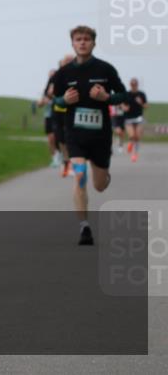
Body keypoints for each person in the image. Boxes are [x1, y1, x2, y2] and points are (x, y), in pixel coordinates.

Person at [49, 25, 127, 246]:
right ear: (72, 44)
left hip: (100, 136)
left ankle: (104, 175)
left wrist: (106, 98)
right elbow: (55, 100)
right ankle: (84, 227)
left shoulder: (105, 69)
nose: (82, 43)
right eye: (78, 39)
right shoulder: (63, 74)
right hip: (75, 135)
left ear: (94, 43)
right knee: (79, 175)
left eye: (86, 39)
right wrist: (65, 101)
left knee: (99, 185)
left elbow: (123, 95)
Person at [39, 70, 61, 168]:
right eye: (50, 76)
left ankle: (60, 156)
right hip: (48, 116)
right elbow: (39, 103)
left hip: (57, 115)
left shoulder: (60, 89)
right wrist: (44, 101)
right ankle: (54, 158)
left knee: (57, 137)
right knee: (50, 138)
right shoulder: (46, 90)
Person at [123, 78, 147, 162]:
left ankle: (134, 154)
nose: (134, 86)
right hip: (129, 118)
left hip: (139, 118)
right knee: (132, 136)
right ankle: (130, 143)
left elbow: (146, 106)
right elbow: (122, 104)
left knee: (137, 137)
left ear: (137, 85)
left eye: (135, 84)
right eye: (132, 84)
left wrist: (141, 103)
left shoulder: (141, 94)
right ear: (130, 85)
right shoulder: (127, 94)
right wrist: (124, 107)